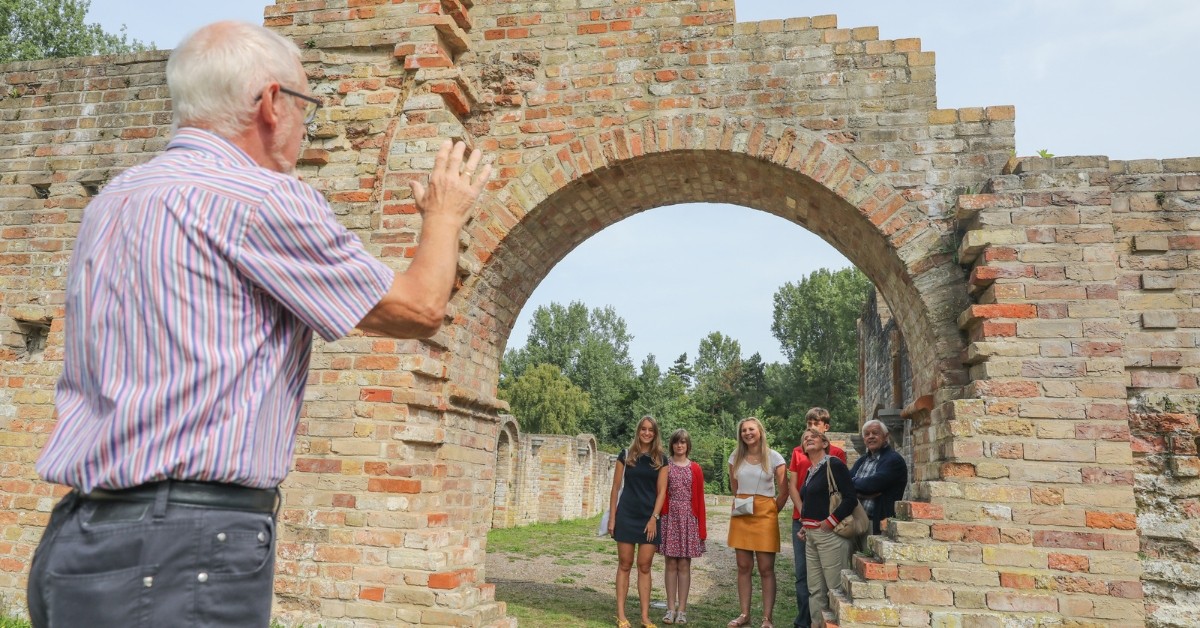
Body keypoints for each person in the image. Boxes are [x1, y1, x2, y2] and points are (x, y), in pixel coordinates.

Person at [25, 21, 491, 628]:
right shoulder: (263, 198)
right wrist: (445, 213)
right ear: (272, 103)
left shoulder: (114, 198)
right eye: (308, 106)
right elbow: (419, 308)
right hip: (183, 549)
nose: (307, 125)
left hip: (77, 539)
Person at [786, 408, 847, 628]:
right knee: (805, 576)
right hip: (802, 520)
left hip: (825, 522)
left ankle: (833, 620)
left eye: (816, 423)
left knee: (830, 577)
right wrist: (804, 515)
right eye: (809, 422)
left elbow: (842, 491)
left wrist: (824, 519)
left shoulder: (836, 455)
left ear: (825, 428)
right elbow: (793, 486)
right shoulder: (798, 452)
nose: (811, 426)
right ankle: (805, 622)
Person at [726, 417, 788, 628]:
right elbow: (734, 487)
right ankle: (744, 614)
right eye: (744, 430)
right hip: (743, 511)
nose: (747, 433)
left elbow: (784, 491)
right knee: (743, 566)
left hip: (765, 513)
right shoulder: (735, 456)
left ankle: (767, 618)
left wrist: (770, 511)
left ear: (760, 431)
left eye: (751, 429)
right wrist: (743, 504)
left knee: (766, 568)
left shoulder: (774, 457)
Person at [608, 416, 669, 628]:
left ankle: (644, 617)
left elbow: (662, 492)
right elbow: (615, 488)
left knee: (645, 566)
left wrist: (654, 518)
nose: (646, 433)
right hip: (626, 515)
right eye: (643, 429)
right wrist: (613, 518)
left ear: (655, 433)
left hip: (648, 518)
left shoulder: (661, 459)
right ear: (638, 431)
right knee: (624, 564)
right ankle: (621, 615)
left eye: (650, 430)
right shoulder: (625, 455)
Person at [796, 429, 858, 628]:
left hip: (831, 535)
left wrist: (830, 521)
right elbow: (813, 504)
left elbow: (850, 499)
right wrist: (805, 526)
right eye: (805, 438)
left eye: (813, 436)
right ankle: (816, 624)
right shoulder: (809, 470)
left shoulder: (834, 464)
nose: (808, 439)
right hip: (811, 537)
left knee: (835, 589)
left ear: (824, 443)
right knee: (815, 590)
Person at [658, 429, 707, 625]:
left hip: (688, 517)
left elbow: (700, 499)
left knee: (684, 564)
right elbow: (660, 492)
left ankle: (682, 610)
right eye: (677, 442)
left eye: (683, 442)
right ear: (672, 444)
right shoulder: (665, 466)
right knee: (670, 563)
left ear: (688, 445)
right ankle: (670, 608)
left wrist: (701, 528)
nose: (680, 445)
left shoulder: (695, 468)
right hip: (670, 516)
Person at [849, 419, 908, 545]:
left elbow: (872, 484)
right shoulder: (862, 461)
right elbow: (844, 483)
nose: (870, 437)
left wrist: (855, 485)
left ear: (886, 436)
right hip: (855, 521)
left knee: (871, 561)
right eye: (867, 434)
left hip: (876, 524)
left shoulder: (893, 460)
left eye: (875, 433)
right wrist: (861, 492)